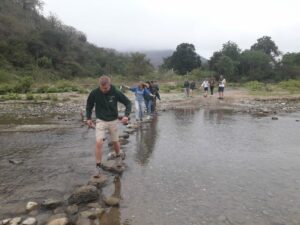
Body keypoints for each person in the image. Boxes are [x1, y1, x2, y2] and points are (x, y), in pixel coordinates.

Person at [86, 75, 131, 174]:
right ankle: (98, 165)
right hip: (100, 120)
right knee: (99, 142)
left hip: (113, 120)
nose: (103, 90)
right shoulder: (95, 93)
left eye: (105, 88)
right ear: (99, 85)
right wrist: (88, 118)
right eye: (102, 88)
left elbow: (128, 103)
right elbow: (89, 105)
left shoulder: (115, 92)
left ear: (109, 85)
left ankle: (118, 155)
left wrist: (126, 116)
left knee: (115, 141)